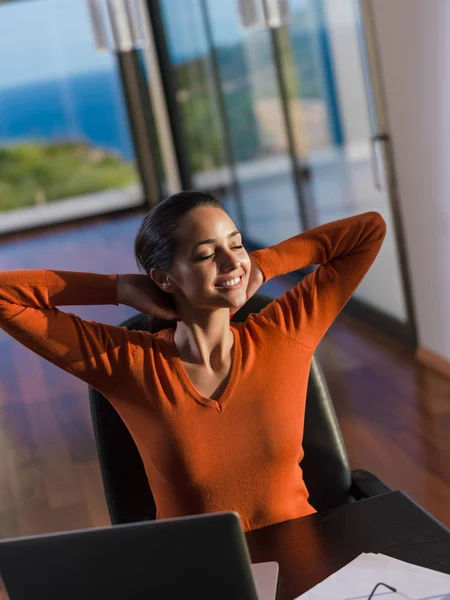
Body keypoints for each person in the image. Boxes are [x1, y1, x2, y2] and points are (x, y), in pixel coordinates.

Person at [0, 190, 386, 532]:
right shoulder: (125, 363)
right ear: (164, 279)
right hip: (202, 576)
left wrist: (264, 263)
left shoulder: (284, 335)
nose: (230, 262)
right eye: (205, 254)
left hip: (304, 562)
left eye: (235, 245)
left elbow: (368, 231)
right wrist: (116, 287)